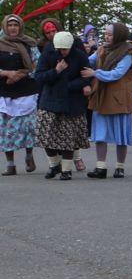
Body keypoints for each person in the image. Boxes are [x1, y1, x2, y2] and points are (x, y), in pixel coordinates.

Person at [81, 22, 132, 178]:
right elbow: (89, 61)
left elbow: (117, 74)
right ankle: (101, 167)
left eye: (110, 34)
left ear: (119, 35)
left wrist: (95, 74)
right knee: (100, 133)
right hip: (101, 95)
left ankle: (120, 167)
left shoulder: (128, 52)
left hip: (119, 97)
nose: (106, 36)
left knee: (121, 135)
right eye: (106, 33)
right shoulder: (102, 49)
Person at [34, 31, 88, 180]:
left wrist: (68, 86)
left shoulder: (80, 55)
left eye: (64, 49)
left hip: (72, 102)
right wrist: (56, 71)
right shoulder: (48, 54)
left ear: (70, 46)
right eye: (59, 49)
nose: (62, 52)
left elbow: (86, 78)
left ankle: (66, 170)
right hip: (50, 100)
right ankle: (54, 165)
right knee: (45, 136)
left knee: (67, 139)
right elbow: (39, 76)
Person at [0, 13, 39, 175]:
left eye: (15, 25)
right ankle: (10, 164)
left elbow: (37, 65)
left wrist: (20, 74)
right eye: (10, 25)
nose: (13, 28)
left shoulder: (30, 44)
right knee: (6, 130)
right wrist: (7, 73)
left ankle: (29, 156)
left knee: (28, 128)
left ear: (20, 26)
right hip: (5, 91)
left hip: (26, 91)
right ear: (5, 27)